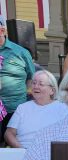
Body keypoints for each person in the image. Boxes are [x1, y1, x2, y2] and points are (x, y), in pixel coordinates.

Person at [0, 14, 35, 143]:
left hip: (14, 110)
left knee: (12, 146)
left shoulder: (21, 52)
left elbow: (32, 79)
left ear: (2, 30)